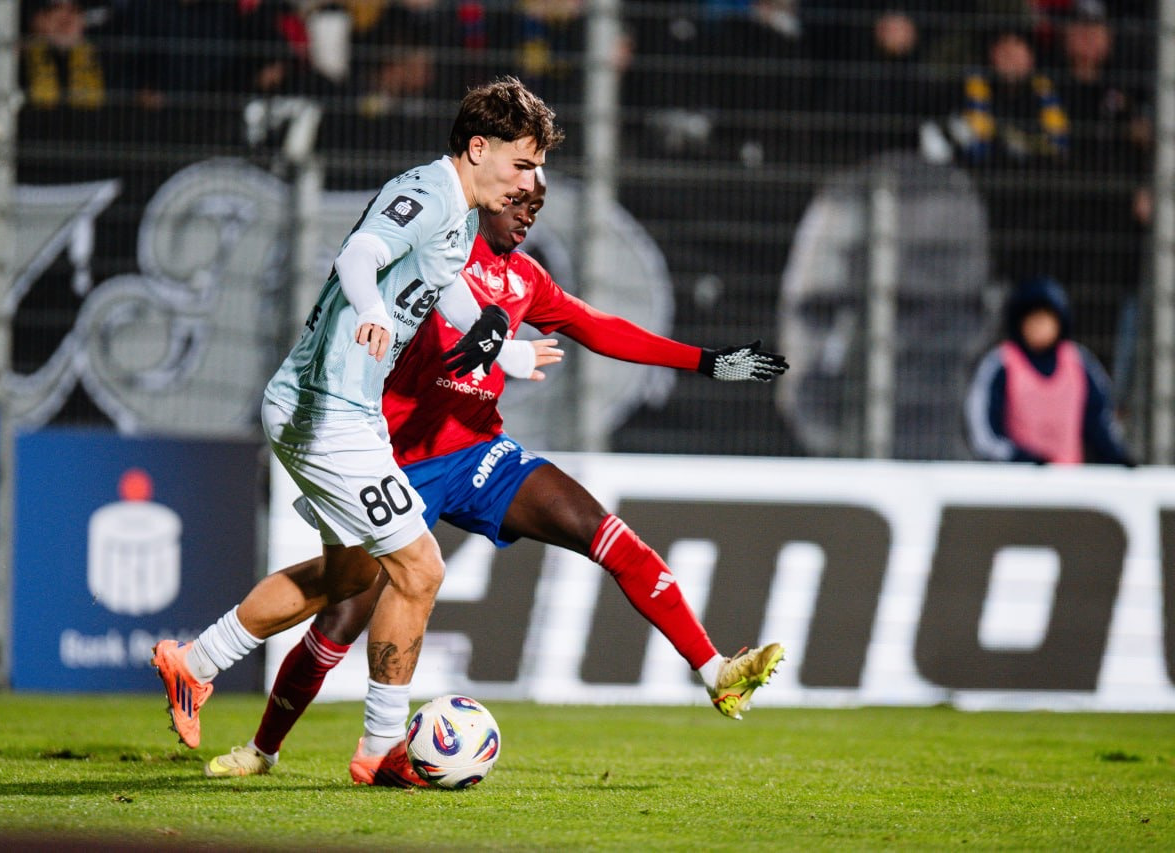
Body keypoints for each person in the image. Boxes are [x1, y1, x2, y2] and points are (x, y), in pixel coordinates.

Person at [200, 169, 789, 783]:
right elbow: (375, 301)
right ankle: (263, 749)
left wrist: (706, 361)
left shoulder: (526, 279)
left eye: (537, 205)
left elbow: (600, 327)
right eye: (519, 200)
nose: (527, 212)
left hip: (479, 453)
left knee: (606, 533)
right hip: (397, 462)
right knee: (341, 616)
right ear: (484, 195)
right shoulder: (436, 254)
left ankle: (715, 672)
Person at [149, 76, 564, 751]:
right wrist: (371, 308)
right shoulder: (427, 192)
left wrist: (505, 350)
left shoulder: (461, 213)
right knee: (421, 568)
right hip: (323, 409)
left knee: (350, 575)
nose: (530, 181)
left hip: (350, 409)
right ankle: (382, 748)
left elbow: (443, 288)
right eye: (522, 164)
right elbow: (360, 254)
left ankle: (194, 663)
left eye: (537, 167)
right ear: (478, 148)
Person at [965, 275, 1134, 466]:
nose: (1040, 327)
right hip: (1015, 477)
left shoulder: (1078, 362)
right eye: (1033, 319)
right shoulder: (1002, 363)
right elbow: (984, 431)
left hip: (1067, 477)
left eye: (1046, 319)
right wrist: (1019, 458)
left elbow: (1099, 420)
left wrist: (1117, 458)